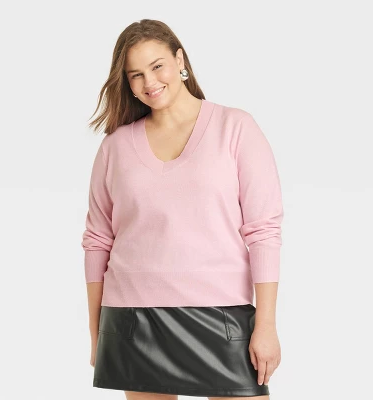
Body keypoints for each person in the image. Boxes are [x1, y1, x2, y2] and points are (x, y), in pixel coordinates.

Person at [81, 19, 283, 400]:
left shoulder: (235, 127)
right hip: (133, 319)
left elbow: (263, 230)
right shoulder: (114, 147)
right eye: (136, 75)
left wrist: (267, 324)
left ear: (179, 60)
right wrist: (97, 334)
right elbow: (97, 242)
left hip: (223, 315)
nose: (149, 82)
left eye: (157, 66)